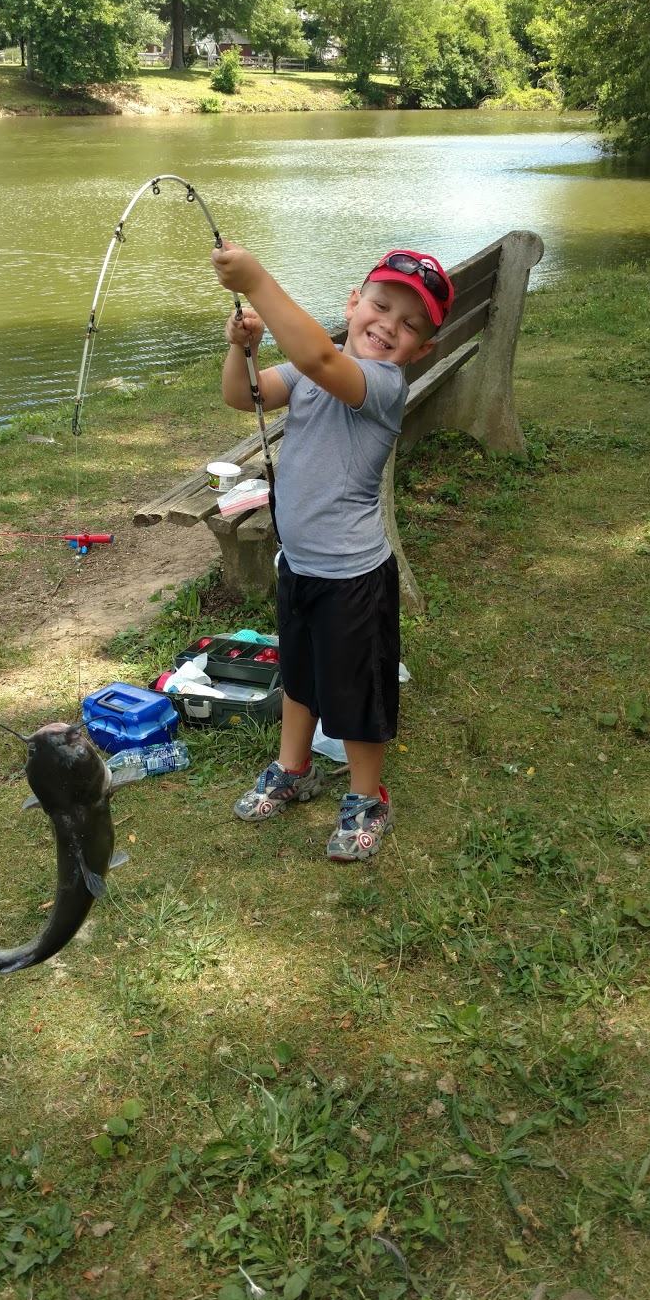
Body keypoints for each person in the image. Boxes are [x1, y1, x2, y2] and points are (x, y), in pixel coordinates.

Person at [212, 241, 454, 861]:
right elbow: (246, 396)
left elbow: (320, 355)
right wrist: (242, 345)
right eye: (380, 305)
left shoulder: (379, 384)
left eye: (409, 325)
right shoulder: (308, 374)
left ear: (421, 351)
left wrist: (258, 279)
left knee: (357, 693)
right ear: (353, 302)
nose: (388, 326)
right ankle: (295, 770)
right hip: (300, 566)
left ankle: (368, 797)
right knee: (300, 677)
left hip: (354, 579)